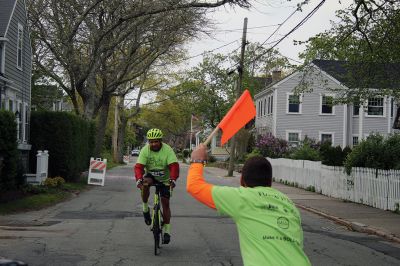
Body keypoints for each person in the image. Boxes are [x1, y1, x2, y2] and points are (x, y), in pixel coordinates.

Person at [187, 144, 311, 266]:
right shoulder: (289, 204)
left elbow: (194, 186)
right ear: (270, 181)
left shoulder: (242, 197)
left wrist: (197, 161)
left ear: (242, 181)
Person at [134, 128, 179, 244]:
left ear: (160, 141)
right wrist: (138, 179)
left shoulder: (167, 150)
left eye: (156, 141)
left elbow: (174, 166)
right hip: (151, 176)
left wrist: (173, 179)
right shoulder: (145, 150)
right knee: (144, 183)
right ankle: (145, 208)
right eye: (151, 142)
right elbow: (139, 167)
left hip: (165, 178)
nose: (153, 144)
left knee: (165, 203)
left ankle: (167, 231)